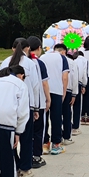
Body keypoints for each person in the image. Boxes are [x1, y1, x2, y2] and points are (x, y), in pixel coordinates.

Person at [0, 39, 40, 177]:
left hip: (7, 106)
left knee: (10, 138)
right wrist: (36, 107)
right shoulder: (30, 63)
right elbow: (35, 87)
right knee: (26, 138)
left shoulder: (5, 62)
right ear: (28, 48)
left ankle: (15, 164)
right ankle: (25, 168)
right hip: (25, 104)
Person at [39, 42, 69, 155]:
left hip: (44, 91)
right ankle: (56, 144)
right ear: (62, 51)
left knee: (44, 117)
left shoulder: (42, 57)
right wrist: (64, 92)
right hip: (57, 90)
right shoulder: (62, 58)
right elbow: (65, 77)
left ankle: (44, 143)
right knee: (56, 118)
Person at [27, 37, 50, 165]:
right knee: (38, 130)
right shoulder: (37, 63)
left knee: (26, 132)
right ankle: (36, 156)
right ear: (39, 48)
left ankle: (26, 156)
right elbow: (44, 84)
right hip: (38, 102)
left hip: (23, 103)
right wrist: (48, 99)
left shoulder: (16, 61)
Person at [57, 45, 79, 143]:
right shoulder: (71, 62)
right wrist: (74, 94)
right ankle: (66, 137)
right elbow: (74, 78)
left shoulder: (52, 61)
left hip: (56, 90)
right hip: (68, 89)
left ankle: (58, 136)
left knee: (57, 115)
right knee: (66, 114)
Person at [73, 50, 87, 133]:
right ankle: (75, 127)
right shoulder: (84, 60)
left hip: (68, 85)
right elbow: (84, 73)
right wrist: (84, 85)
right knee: (77, 106)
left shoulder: (72, 60)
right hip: (78, 83)